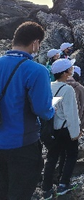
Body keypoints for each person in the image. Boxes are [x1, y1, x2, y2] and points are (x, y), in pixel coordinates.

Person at [0, 22, 54, 199]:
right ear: (35, 43)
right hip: (22, 145)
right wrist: (53, 108)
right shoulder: (37, 71)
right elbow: (43, 110)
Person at [42, 58, 81, 199]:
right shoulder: (67, 89)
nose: (72, 69)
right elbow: (71, 114)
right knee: (71, 155)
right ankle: (63, 184)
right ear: (65, 73)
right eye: (70, 68)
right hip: (65, 129)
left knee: (52, 157)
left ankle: (46, 189)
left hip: (52, 129)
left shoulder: (49, 85)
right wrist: (75, 133)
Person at [57, 65, 84, 185]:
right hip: (72, 126)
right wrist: (80, 128)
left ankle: (59, 176)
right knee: (72, 154)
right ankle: (64, 183)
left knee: (62, 154)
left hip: (57, 127)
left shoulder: (53, 86)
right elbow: (81, 110)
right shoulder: (78, 88)